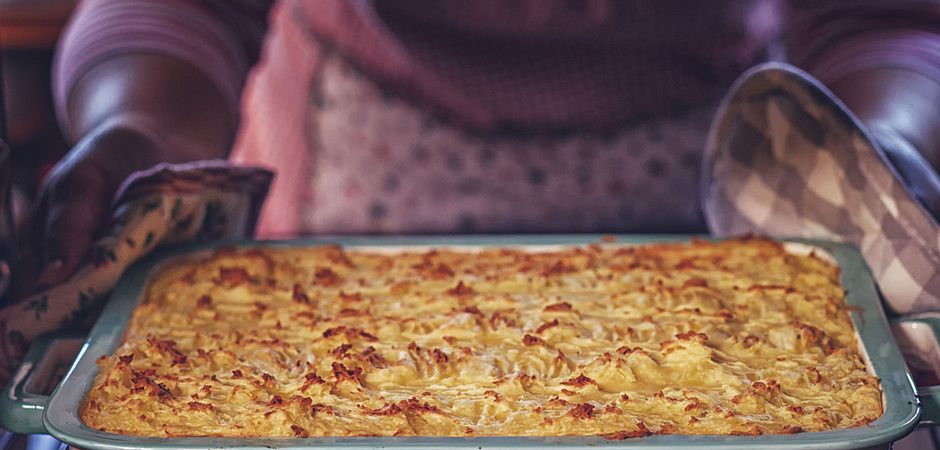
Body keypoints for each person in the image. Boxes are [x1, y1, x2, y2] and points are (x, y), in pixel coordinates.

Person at [23, 0, 940, 293]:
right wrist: (139, 138)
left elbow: (878, 17)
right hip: (370, 170)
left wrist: (883, 147)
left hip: (712, 173)